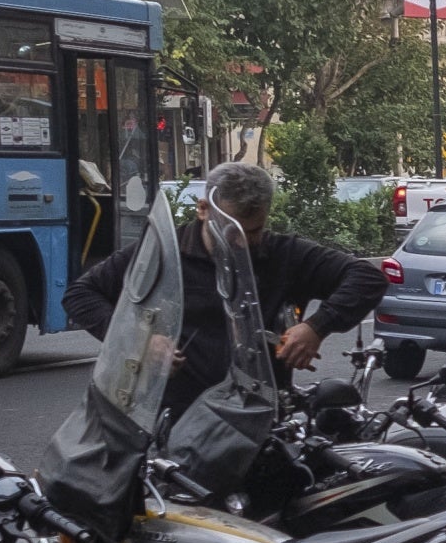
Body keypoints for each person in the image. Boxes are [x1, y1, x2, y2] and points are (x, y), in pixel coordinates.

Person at [68, 161, 381, 415]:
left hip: (258, 419)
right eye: (230, 229)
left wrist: (316, 327)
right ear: (203, 209)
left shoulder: (283, 253)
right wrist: (138, 340)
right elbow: (80, 295)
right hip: (172, 420)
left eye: (254, 231)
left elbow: (367, 278)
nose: (241, 241)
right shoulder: (161, 253)